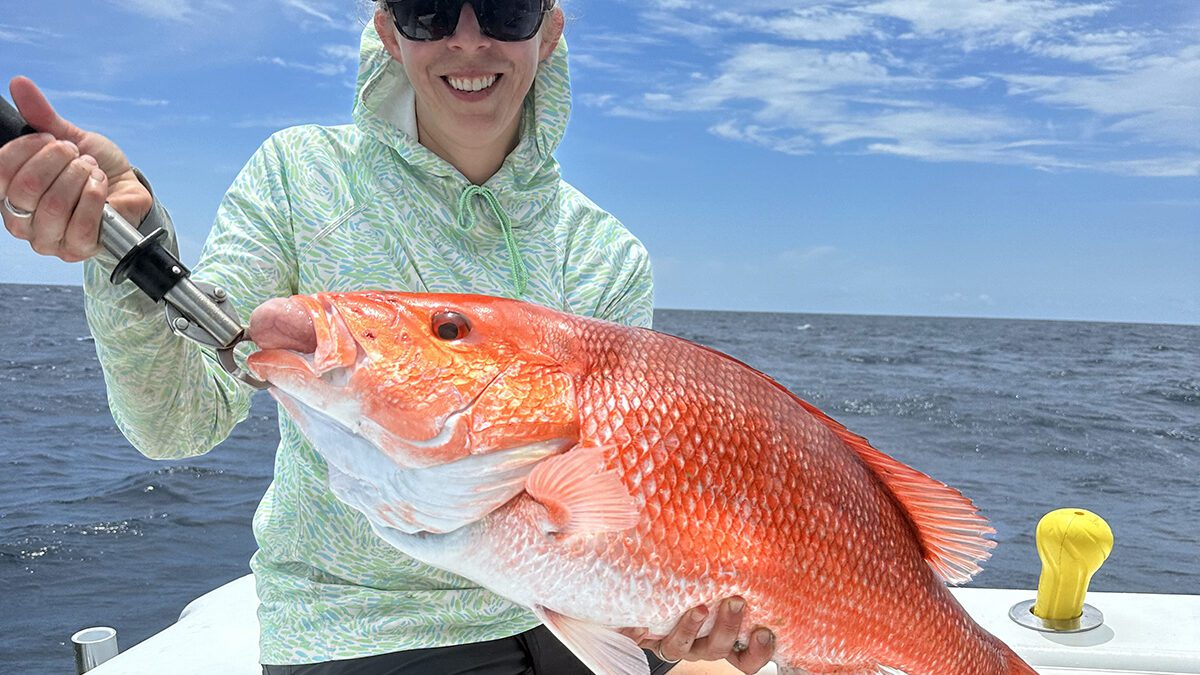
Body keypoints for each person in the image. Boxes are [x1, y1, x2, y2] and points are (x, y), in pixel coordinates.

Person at [0, 1, 777, 673]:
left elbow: (613, 505)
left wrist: (678, 612)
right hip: (363, 633)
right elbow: (177, 422)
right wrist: (126, 254)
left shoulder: (604, 254)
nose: (468, 41)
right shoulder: (296, 177)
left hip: (572, 618)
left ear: (548, 33)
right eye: (429, 9)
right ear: (389, 31)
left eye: (505, 9)